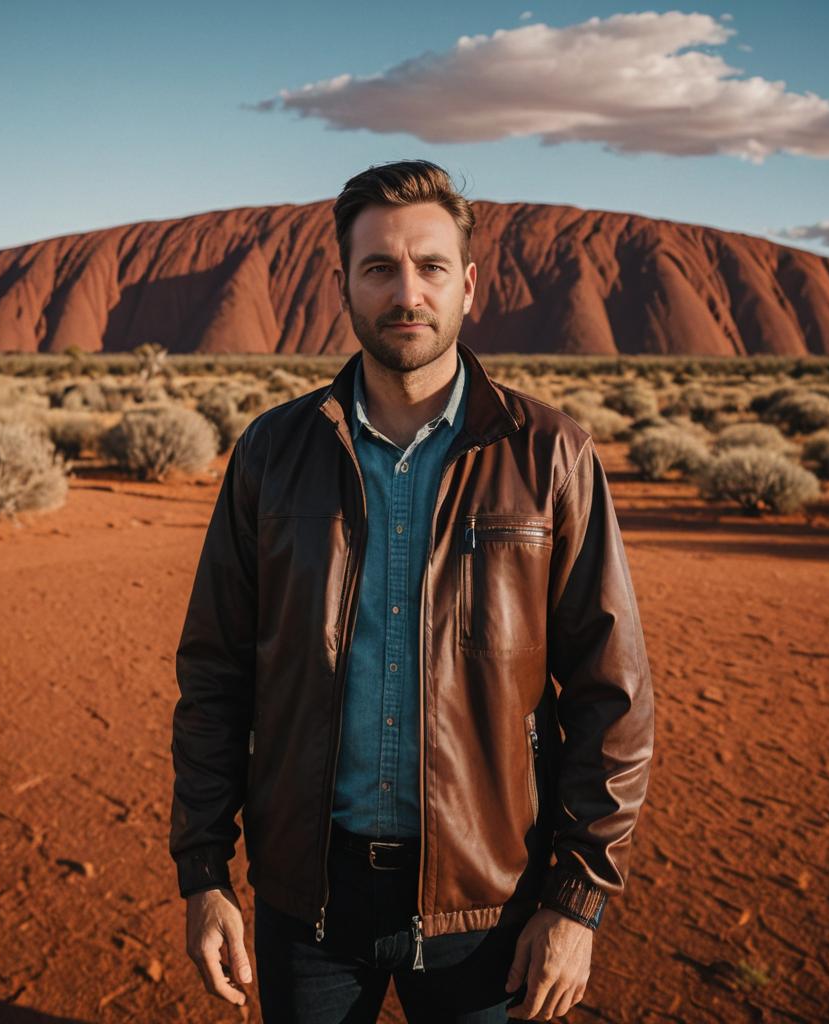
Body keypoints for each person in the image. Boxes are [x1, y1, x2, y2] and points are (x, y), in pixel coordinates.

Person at [169, 159, 654, 1023]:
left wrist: (577, 902)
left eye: (431, 267)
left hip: (487, 901)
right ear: (342, 284)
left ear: (468, 283)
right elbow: (215, 676)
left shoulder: (549, 457)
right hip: (306, 895)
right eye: (379, 268)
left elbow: (612, 694)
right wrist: (205, 874)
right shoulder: (272, 456)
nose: (408, 293)